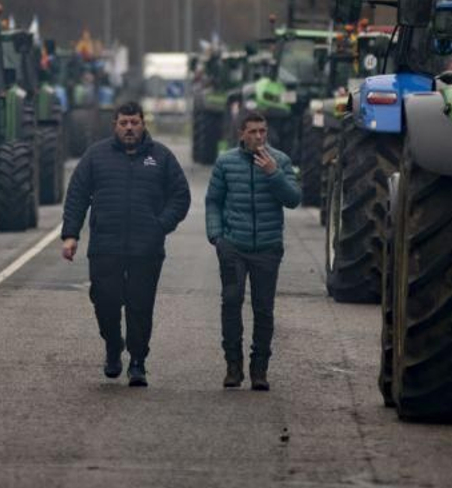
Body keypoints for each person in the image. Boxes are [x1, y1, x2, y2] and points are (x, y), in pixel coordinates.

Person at [61, 101, 190, 387]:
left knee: (140, 306)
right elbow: (77, 195)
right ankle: (112, 345)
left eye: (134, 122)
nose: (129, 128)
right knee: (104, 301)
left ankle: (137, 362)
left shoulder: (161, 157)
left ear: (143, 124)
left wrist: (160, 226)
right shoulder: (96, 156)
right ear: (115, 125)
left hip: (147, 248)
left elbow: (180, 196)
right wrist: (71, 235)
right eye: (124, 123)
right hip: (105, 245)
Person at [204, 110, 300, 391]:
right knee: (231, 302)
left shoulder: (280, 160)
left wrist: (274, 174)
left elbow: (293, 199)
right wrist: (217, 237)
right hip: (233, 246)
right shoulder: (225, 162)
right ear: (242, 134)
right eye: (253, 132)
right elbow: (213, 202)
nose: (259, 137)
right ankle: (233, 367)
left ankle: (260, 369)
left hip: (268, 248)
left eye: (263, 131)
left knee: (264, 309)